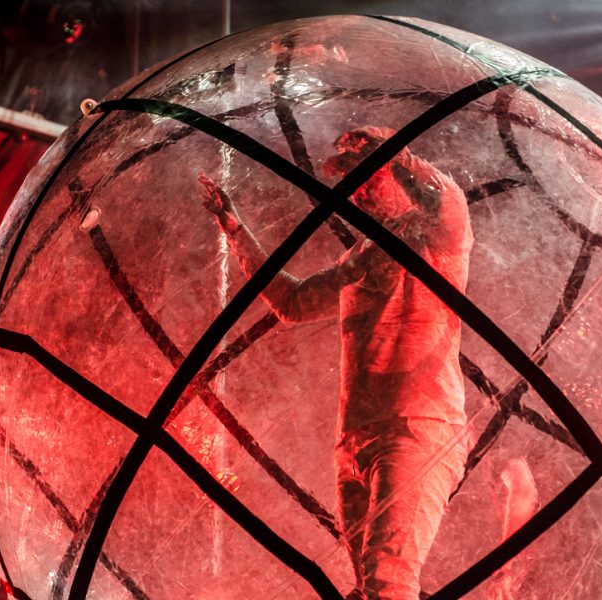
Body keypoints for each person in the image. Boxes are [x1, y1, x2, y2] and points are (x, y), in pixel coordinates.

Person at [199, 125, 473, 600]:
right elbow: (293, 302)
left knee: (388, 584)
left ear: (396, 174)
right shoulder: (360, 255)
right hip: (356, 440)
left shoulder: (435, 236)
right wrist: (236, 231)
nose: (357, 192)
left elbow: (452, 202)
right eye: (350, 180)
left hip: (415, 428)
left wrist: (400, 154)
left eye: (367, 177)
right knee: (368, 589)